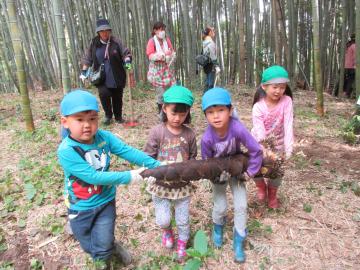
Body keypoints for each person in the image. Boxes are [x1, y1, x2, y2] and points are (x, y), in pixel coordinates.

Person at [57, 90, 160, 268]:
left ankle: (105, 257)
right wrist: (130, 176)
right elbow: (93, 177)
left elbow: (127, 151)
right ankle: (107, 248)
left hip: (105, 201)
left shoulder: (104, 138)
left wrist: (157, 166)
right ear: (65, 122)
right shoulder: (67, 150)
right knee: (87, 244)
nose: (87, 125)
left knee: (102, 244)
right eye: (79, 119)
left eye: (92, 118)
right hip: (80, 207)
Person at [201, 88, 263, 263]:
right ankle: (218, 227)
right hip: (218, 174)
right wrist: (214, 177)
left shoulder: (237, 128)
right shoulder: (207, 138)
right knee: (220, 206)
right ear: (205, 115)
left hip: (237, 169)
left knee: (241, 206)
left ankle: (238, 239)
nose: (216, 116)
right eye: (210, 112)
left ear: (229, 110)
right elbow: (207, 164)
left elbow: (256, 150)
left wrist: (250, 172)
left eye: (221, 110)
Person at [143, 85, 196, 261]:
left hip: (181, 186)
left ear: (188, 111)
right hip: (160, 185)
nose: (177, 118)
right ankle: (166, 231)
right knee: (163, 219)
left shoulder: (189, 134)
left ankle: (182, 242)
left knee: (182, 219)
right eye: (174, 113)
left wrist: (191, 172)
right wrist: (151, 171)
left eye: (182, 114)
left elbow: (193, 158)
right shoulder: (157, 132)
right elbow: (148, 157)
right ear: (164, 108)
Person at [251, 65, 294, 209]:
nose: (278, 91)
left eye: (282, 87)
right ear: (264, 86)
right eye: (275, 87)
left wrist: (288, 150)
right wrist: (265, 150)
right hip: (259, 143)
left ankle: (273, 193)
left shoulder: (287, 101)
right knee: (254, 165)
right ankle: (261, 186)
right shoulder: (258, 107)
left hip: (279, 143)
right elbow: (260, 132)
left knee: (278, 170)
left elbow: (288, 125)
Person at [80, 18, 132, 125]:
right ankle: (108, 116)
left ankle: (118, 117)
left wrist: (127, 61)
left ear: (109, 31)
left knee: (117, 96)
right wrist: (84, 72)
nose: (104, 33)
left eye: (106, 30)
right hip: (101, 75)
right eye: (102, 31)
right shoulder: (94, 43)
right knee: (104, 94)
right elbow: (87, 58)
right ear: (98, 32)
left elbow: (126, 53)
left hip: (116, 73)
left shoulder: (116, 41)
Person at [146, 22, 176, 114]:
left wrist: (171, 55)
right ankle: (161, 113)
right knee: (161, 93)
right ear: (155, 31)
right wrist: (162, 55)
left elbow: (172, 51)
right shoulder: (152, 41)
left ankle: (172, 110)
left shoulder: (166, 40)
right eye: (160, 29)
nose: (162, 31)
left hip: (167, 68)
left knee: (172, 89)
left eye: (163, 29)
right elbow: (150, 55)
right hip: (157, 70)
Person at [202, 26, 220, 92]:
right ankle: (209, 100)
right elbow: (212, 55)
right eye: (213, 31)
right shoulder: (210, 42)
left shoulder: (204, 42)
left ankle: (205, 98)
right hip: (211, 65)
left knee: (207, 83)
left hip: (206, 65)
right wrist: (217, 66)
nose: (214, 32)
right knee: (210, 84)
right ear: (209, 32)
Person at [344, 34, 356, 98]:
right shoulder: (354, 46)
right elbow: (355, 56)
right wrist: (355, 65)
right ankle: (351, 94)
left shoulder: (348, 46)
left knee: (349, 80)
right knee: (352, 80)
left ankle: (348, 94)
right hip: (353, 66)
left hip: (347, 67)